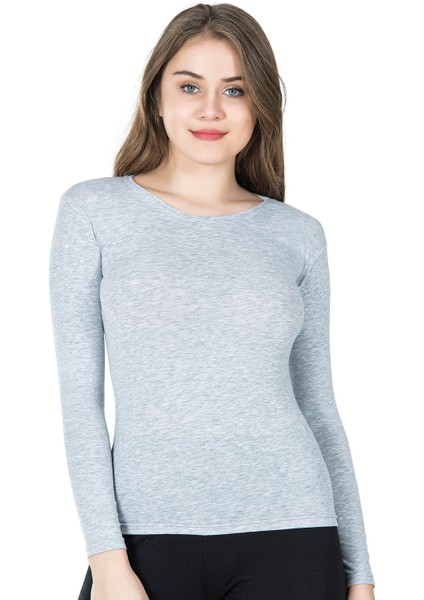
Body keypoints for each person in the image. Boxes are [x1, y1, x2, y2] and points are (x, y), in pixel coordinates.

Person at [49, 3, 376, 599]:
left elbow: (319, 405)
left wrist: (361, 573)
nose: (210, 109)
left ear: (260, 106)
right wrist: (107, 560)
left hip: (296, 532)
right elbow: (80, 404)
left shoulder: (298, 234)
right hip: (146, 538)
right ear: (156, 97)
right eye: (189, 86)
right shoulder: (94, 211)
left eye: (234, 89)